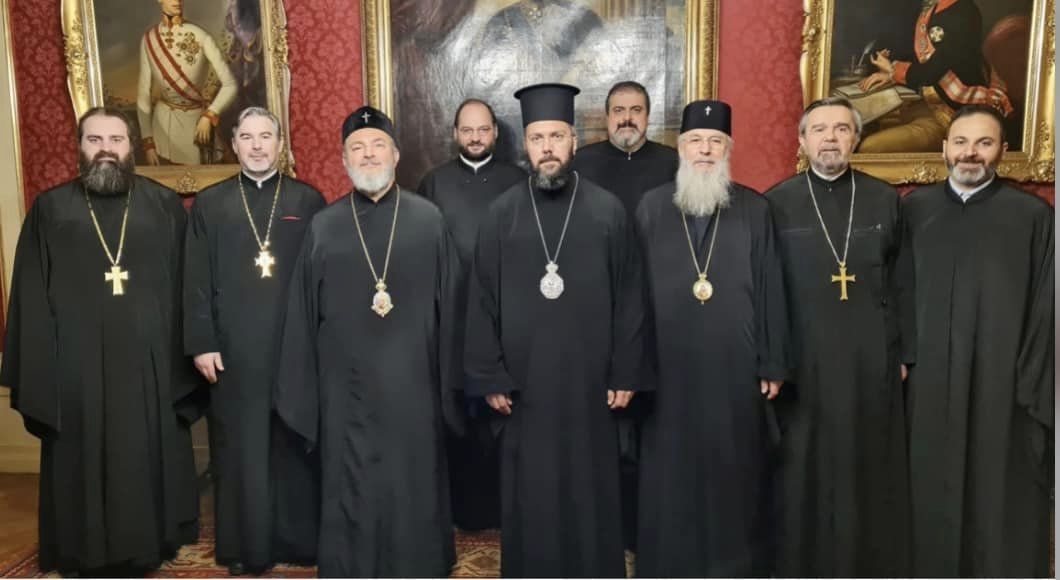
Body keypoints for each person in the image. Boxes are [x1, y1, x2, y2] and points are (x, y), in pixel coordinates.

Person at [0, 107, 202, 575]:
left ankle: (151, 541)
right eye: (95, 140)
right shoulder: (51, 209)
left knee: (145, 451)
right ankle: (81, 547)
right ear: (80, 147)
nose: (106, 149)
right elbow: (30, 294)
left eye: (116, 139)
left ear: (132, 146)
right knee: (82, 453)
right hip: (77, 368)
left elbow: (189, 287)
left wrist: (189, 350)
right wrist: (42, 366)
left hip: (151, 365)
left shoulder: (164, 206)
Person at [464, 83, 643, 577]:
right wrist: (490, 376)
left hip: (591, 387)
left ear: (574, 140)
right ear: (525, 144)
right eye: (538, 138)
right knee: (531, 491)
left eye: (557, 137)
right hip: (525, 389)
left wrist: (626, 371)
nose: (547, 148)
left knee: (591, 487)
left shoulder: (607, 211)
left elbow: (630, 296)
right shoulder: (501, 214)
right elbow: (481, 300)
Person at [274, 106, 462, 578]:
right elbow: (302, 316)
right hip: (346, 392)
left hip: (415, 387)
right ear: (343, 160)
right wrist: (306, 394)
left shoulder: (428, 220)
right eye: (357, 148)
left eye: (378, 145)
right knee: (350, 484)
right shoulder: (324, 227)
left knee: (413, 480)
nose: (368, 154)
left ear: (396, 155)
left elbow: (454, 313)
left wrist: (450, 388)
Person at [634, 100, 788, 577]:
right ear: (681, 148)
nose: (705, 150)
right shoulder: (651, 207)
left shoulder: (755, 208)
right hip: (668, 367)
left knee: (733, 469)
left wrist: (773, 361)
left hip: (735, 365)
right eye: (696, 141)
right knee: (670, 470)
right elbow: (634, 294)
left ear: (727, 150)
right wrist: (634, 364)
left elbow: (771, 285)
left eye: (715, 142)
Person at [902, 105, 1052, 577]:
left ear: (1002, 151)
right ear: (944, 148)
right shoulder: (913, 211)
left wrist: (1029, 384)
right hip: (926, 385)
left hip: (1001, 387)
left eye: (984, 143)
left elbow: (1046, 311)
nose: (971, 153)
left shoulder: (1032, 217)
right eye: (962, 142)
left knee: (998, 495)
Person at [765, 97, 912, 576]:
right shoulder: (776, 203)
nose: (830, 138)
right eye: (820, 130)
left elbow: (904, 281)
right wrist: (771, 357)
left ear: (856, 139)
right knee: (802, 466)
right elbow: (766, 287)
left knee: (865, 465)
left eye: (842, 129)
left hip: (871, 358)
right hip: (803, 358)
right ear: (802, 140)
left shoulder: (884, 199)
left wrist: (904, 352)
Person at [183, 107, 325, 575]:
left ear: (281, 144)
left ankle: (299, 541)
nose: (258, 145)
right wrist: (202, 342)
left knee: (293, 442)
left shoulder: (308, 200)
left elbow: (323, 277)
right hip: (233, 352)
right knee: (240, 450)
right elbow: (195, 279)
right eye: (247, 137)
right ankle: (247, 548)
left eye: (266, 136)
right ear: (234, 144)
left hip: (295, 348)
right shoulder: (210, 204)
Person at [418, 98, 525, 532]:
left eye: (483, 130)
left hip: (507, 320)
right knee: (457, 414)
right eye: (467, 130)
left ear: (495, 132)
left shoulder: (518, 180)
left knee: (503, 418)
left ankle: (505, 508)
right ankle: (464, 512)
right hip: (452, 320)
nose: (476, 137)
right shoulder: (433, 184)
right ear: (455, 134)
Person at [856, 0, 1013, 153]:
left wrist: (893, 69)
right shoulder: (930, 11)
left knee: (870, 146)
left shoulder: (965, 12)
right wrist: (889, 74)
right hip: (927, 105)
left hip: (953, 115)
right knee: (866, 125)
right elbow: (921, 61)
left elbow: (932, 71)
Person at [137, 0, 238, 165]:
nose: (177, 1)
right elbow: (143, 94)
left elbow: (230, 84)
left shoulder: (200, 36)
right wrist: (148, 142)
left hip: (195, 126)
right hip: (161, 128)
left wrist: (210, 114)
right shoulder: (148, 39)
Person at [573, 80, 678, 217]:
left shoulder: (672, 162)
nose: (627, 118)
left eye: (636, 110)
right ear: (607, 118)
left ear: (647, 118)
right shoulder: (581, 162)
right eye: (618, 110)